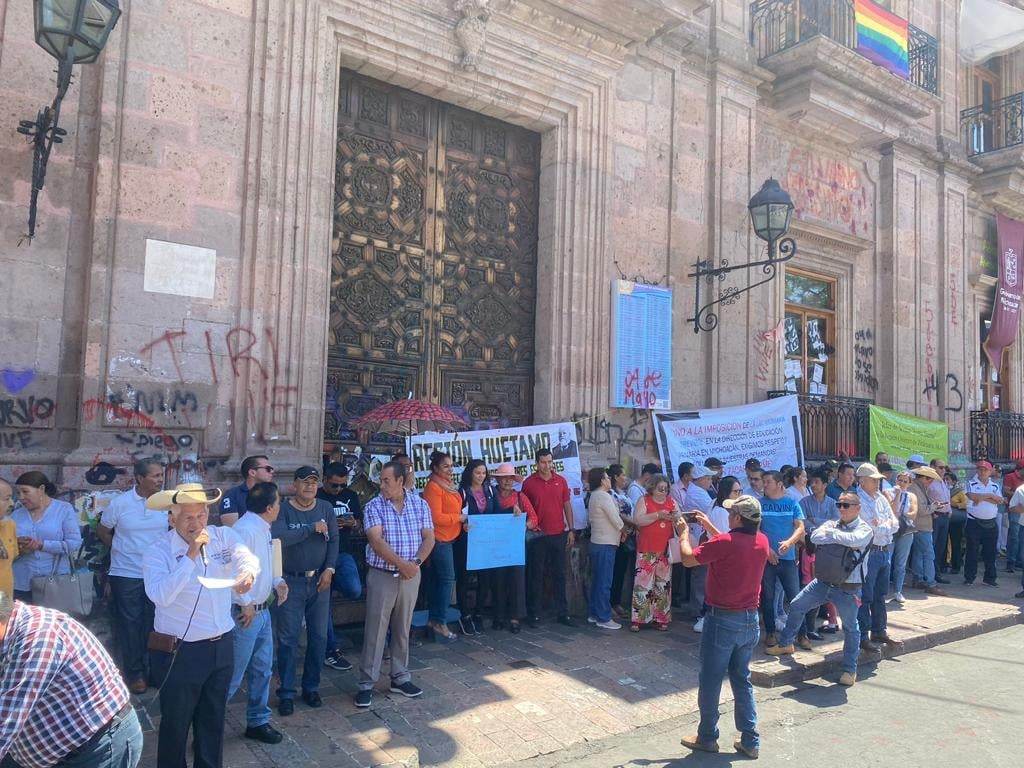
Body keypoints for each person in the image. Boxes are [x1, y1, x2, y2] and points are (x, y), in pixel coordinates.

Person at [143, 483, 258, 768]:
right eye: (188, 517)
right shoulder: (158, 551)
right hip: (181, 651)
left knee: (213, 719)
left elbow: (246, 556)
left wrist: (248, 572)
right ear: (172, 519)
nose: (196, 524)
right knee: (176, 722)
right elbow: (160, 595)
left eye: (201, 515)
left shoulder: (222, 536)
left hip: (220, 644)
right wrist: (190, 555)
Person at [0, 590, 144, 768]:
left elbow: (5, 721)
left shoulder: (38, 636)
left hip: (97, 748)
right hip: (52, 752)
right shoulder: (9, 632)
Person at [676, 495, 768, 760]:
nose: (728, 516)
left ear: (738, 518)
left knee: (711, 679)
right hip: (749, 619)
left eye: (731, 513)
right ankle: (750, 739)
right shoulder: (761, 540)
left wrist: (683, 533)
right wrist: (709, 526)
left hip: (723, 619)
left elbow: (688, 559)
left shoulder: (726, 542)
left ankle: (707, 736)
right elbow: (730, 545)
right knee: (741, 678)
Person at [767, 491, 873, 686]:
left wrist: (832, 535)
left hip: (848, 587)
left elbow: (855, 540)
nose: (841, 508)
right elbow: (815, 536)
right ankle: (786, 644)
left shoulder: (865, 529)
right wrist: (839, 537)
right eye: (839, 505)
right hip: (823, 582)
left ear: (858, 508)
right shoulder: (832, 523)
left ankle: (850, 670)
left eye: (846, 505)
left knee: (851, 628)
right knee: (797, 605)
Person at [356, 460, 435, 708]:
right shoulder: (374, 506)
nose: (382, 485)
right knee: (375, 629)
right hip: (383, 575)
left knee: (403, 627)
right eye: (381, 480)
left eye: (386, 481)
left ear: (400, 481)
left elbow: (429, 537)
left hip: (411, 575)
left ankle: (400, 677)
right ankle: (366, 682)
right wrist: (403, 564)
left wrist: (416, 563)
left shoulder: (420, 504)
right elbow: (376, 541)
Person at [95, 459, 167, 693]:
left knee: (156, 622)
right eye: (155, 476)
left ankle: (155, 671)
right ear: (139, 478)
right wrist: (121, 549)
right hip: (126, 573)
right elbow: (103, 531)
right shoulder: (121, 503)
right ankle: (135, 674)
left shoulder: (166, 502)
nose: (159, 480)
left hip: (157, 573)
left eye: (161, 475)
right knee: (130, 624)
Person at [271, 466, 338, 715]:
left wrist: (329, 569)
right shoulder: (283, 509)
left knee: (319, 637)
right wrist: (310, 528)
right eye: (304, 482)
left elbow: (334, 540)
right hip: (291, 581)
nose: (310, 486)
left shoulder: (326, 508)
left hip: (319, 580)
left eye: (313, 482)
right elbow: (280, 538)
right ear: (294, 485)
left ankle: (311, 687)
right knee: (288, 639)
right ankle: (286, 692)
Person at [227, 482, 289, 745]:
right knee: (232, 676)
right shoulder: (245, 530)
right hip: (247, 614)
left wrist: (277, 581)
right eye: (278, 502)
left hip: (262, 611)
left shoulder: (261, 527)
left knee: (263, 670)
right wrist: (245, 602)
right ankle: (207, 726)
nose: (279, 507)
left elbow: (263, 565)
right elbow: (234, 570)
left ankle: (257, 721)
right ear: (269, 507)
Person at [521, 449, 576, 627]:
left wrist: (571, 529)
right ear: (537, 463)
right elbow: (525, 508)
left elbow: (567, 505)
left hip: (558, 534)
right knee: (535, 576)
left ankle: (563, 613)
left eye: (549, 462)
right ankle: (534, 614)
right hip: (537, 536)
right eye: (543, 462)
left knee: (559, 575)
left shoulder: (561, 481)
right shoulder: (529, 483)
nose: (547, 466)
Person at [317, 461, 362, 671]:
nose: (338, 489)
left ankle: (333, 585)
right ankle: (330, 650)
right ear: (325, 480)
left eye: (342, 485)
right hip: (321, 555)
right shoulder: (317, 497)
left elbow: (360, 523)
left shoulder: (350, 496)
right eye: (334, 485)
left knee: (354, 589)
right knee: (323, 602)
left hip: (343, 552)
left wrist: (353, 523)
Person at [11, 471, 81, 604]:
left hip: (55, 581)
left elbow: (74, 543)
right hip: (21, 583)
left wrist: (42, 545)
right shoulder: (16, 514)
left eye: (25, 492)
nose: (21, 497)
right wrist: (19, 547)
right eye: (18, 493)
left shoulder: (64, 509)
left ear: (41, 489)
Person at [758, 471, 806, 647]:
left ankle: (802, 634)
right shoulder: (759, 504)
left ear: (779, 484)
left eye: (768, 482)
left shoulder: (792, 503)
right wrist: (767, 549)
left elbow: (800, 527)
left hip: (788, 558)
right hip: (767, 558)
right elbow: (756, 529)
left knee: (796, 598)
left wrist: (789, 542)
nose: (764, 485)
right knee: (767, 597)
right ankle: (770, 633)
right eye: (764, 482)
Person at [855, 463, 900, 652]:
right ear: (862, 481)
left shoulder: (880, 498)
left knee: (880, 595)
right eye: (873, 480)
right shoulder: (857, 500)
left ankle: (879, 630)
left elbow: (895, 522)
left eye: (877, 480)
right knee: (866, 595)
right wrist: (885, 524)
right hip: (869, 552)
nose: (877, 483)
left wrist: (883, 524)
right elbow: (870, 527)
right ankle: (863, 636)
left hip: (884, 550)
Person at [421, 451, 464, 640]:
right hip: (439, 540)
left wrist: (461, 521)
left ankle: (435, 619)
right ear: (436, 468)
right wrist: (458, 518)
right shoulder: (433, 487)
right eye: (445, 466)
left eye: (451, 466)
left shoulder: (447, 485)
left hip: (451, 537)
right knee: (447, 580)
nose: (450, 469)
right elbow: (435, 517)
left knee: (440, 580)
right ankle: (440, 621)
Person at [692, 477, 742, 634]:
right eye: (735, 491)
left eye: (740, 491)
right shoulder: (720, 510)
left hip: (726, 555)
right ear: (726, 492)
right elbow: (721, 536)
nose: (739, 494)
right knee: (712, 587)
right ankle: (704, 616)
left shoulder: (731, 508)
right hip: (719, 555)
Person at [491, 463, 535, 632]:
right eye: (504, 478)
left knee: (517, 580)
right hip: (495, 545)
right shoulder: (491, 495)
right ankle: (499, 616)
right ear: (498, 480)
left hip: (516, 545)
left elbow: (534, 519)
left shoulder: (520, 497)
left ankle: (515, 618)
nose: (507, 481)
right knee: (498, 580)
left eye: (510, 478)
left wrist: (523, 525)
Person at [630, 474, 677, 632]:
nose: (663, 492)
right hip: (647, 549)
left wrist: (676, 517)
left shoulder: (671, 502)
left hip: (665, 550)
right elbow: (638, 520)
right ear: (652, 488)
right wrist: (658, 515)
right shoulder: (644, 500)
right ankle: (639, 619)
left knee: (663, 585)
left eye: (666, 489)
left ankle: (661, 618)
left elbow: (679, 518)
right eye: (660, 489)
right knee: (643, 585)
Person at [456, 459, 496, 635]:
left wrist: (514, 511)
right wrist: (462, 525)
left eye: (483, 473)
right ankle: (464, 615)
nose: (481, 476)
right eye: (477, 473)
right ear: (470, 473)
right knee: (464, 579)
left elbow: (497, 513)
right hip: (466, 542)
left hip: (485, 543)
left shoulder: (490, 491)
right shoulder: (462, 492)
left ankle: (478, 613)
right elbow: (456, 515)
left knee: (485, 579)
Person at [799, 470, 839, 634]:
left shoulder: (833, 503)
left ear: (825, 484)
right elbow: (802, 522)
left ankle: (832, 620)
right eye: (812, 482)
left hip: (828, 549)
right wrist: (822, 525)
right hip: (809, 548)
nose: (813, 485)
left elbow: (835, 523)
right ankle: (809, 627)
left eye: (816, 482)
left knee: (828, 584)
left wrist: (815, 521)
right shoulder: (804, 502)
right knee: (809, 585)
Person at [586, 467, 624, 630]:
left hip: (597, 542)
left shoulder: (594, 495)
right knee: (604, 582)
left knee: (598, 581)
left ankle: (594, 613)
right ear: (602, 480)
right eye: (607, 477)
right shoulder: (603, 496)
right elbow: (616, 519)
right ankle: (603, 617)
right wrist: (625, 530)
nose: (609, 480)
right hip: (605, 543)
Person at [906, 466, 946, 595]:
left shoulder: (919, 488)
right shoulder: (914, 489)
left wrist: (933, 507)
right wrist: (933, 507)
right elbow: (921, 510)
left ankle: (919, 579)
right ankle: (930, 583)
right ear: (923, 478)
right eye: (929, 479)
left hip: (921, 526)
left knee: (919, 553)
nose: (931, 482)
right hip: (921, 526)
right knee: (929, 555)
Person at [683, 467, 716, 620]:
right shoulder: (697, 493)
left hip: (700, 536)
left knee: (702, 574)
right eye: (708, 478)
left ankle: (699, 609)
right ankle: (698, 611)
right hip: (698, 537)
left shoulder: (699, 491)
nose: (710, 481)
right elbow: (711, 510)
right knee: (701, 575)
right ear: (700, 479)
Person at [964, 460, 1002, 587]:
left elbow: (999, 500)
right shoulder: (970, 483)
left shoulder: (995, 486)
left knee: (990, 552)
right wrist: (990, 496)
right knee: (972, 551)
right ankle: (969, 578)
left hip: (991, 523)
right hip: (974, 522)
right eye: (980, 469)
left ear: (990, 471)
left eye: (985, 470)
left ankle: (990, 578)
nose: (983, 472)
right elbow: (972, 497)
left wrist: (981, 497)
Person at [608, 464, 637, 619]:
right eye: (623, 475)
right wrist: (633, 524)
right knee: (614, 571)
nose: (625, 478)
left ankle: (616, 601)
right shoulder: (611, 494)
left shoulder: (623, 493)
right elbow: (618, 514)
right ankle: (610, 602)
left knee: (621, 571)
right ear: (615, 477)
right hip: (618, 535)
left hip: (628, 535)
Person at [218, 455, 275, 526]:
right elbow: (231, 527)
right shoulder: (232, 495)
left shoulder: (272, 494)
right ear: (252, 472)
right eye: (268, 469)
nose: (272, 471)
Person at [889, 470, 918, 604]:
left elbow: (913, 513)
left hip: (905, 530)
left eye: (905, 481)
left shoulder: (911, 496)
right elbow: (890, 510)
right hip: (891, 530)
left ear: (909, 484)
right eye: (899, 480)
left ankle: (898, 591)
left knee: (900, 563)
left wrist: (902, 514)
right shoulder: (889, 492)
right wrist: (897, 496)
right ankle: (882, 590)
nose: (902, 483)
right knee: (887, 561)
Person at [927, 458, 952, 584]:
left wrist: (949, 511)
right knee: (932, 546)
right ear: (932, 467)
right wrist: (932, 513)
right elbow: (924, 499)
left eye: (944, 468)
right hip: (935, 517)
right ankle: (930, 574)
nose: (943, 470)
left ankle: (936, 573)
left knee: (941, 547)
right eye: (940, 467)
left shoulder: (943, 481)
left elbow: (947, 498)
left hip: (945, 517)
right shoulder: (929, 482)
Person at [947, 471, 968, 574]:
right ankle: (944, 564)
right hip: (944, 520)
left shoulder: (959, 492)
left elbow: (966, 504)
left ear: (954, 481)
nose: (946, 481)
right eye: (944, 479)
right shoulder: (941, 490)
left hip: (956, 521)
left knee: (956, 543)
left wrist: (953, 504)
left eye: (948, 479)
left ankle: (956, 565)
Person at [0, 479, 17, 599]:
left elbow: (13, 556)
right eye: (7, 499)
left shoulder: (10, 525)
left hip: (4, 596)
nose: (11, 503)